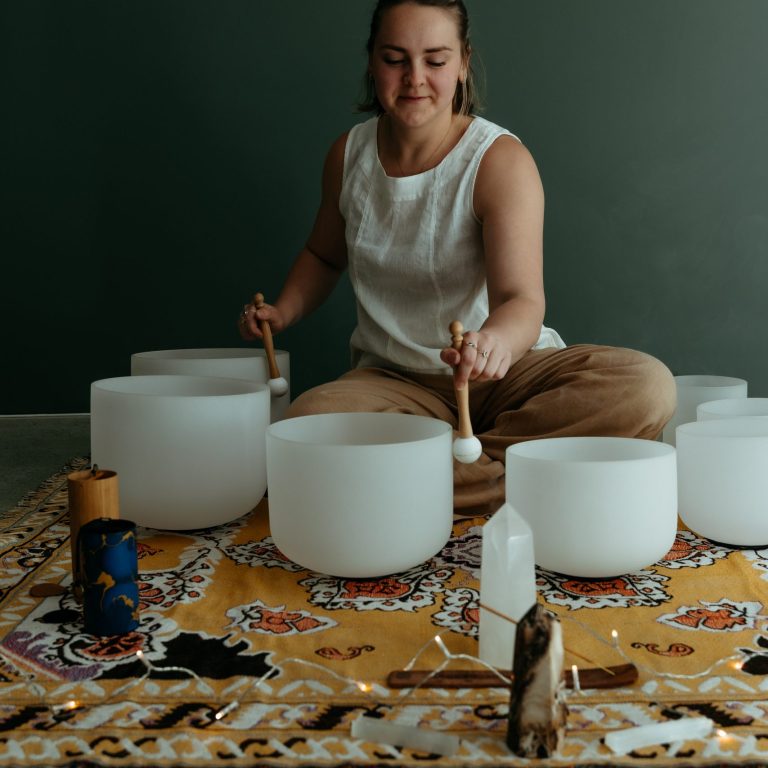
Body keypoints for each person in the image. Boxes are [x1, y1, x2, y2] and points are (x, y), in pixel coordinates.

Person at [239, 0, 675, 515]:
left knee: (646, 387)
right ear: (372, 61)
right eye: (395, 58)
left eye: (436, 60)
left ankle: (449, 474)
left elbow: (522, 300)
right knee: (303, 425)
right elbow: (323, 254)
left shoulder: (498, 160)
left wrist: (492, 342)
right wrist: (284, 310)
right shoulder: (348, 155)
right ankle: (521, 481)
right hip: (394, 385)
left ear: (464, 62)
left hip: (504, 378)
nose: (415, 78)